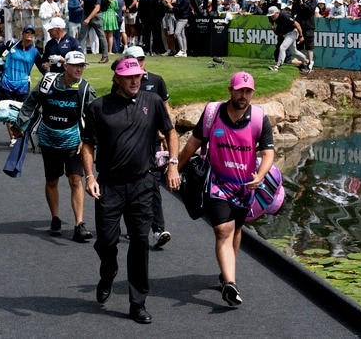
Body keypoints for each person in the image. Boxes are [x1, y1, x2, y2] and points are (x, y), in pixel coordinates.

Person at [81, 57, 180, 325]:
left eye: (138, 76)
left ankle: (138, 303)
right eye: (129, 76)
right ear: (117, 78)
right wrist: (89, 176)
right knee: (106, 242)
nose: (135, 80)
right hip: (109, 185)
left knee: (139, 242)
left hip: (142, 184)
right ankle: (109, 270)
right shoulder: (98, 107)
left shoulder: (153, 102)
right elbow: (87, 144)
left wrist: (173, 165)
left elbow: (171, 133)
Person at [177, 71, 275, 307]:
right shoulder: (213, 114)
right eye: (239, 90)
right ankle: (230, 283)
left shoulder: (260, 119)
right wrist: (175, 168)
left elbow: (268, 153)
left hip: (244, 187)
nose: (243, 95)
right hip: (217, 184)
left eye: (248, 91)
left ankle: (226, 272)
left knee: (237, 229)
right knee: (223, 229)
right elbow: (193, 143)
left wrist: (260, 176)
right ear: (230, 90)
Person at [12, 50, 96, 241]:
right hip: (49, 139)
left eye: (82, 66)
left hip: (73, 142)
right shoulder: (47, 82)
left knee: (75, 180)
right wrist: (20, 124)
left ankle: (79, 225)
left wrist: (87, 139)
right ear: (65, 66)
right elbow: (30, 102)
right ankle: (55, 218)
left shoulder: (85, 89)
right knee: (52, 180)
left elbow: (93, 117)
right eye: (75, 65)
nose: (79, 69)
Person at [122, 45, 172, 246]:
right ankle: (134, 224)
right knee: (130, 186)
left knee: (153, 186)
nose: (140, 63)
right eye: (135, 59)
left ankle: (158, 230)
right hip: (130, 144)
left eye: (142, 59)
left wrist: (168, 138)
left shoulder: (156, 80)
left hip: (152, 143)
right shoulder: (122, 82)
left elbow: (165, 110)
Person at [0, 24, 46, 146]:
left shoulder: (35, 52)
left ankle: (20, 134)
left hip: (23, 86)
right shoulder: (12, 44)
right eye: (27, 32)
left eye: (31, 33)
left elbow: (42, 68)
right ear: (23, 33)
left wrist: (51, 77)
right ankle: (13, 138)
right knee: (8, 112)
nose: (29, 35)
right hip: (7, 84)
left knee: (22, 112)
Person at [266, 6, 309, 72]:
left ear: (277, 13)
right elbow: (276, 32)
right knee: (294, 51)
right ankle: (306, 60)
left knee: (282, 47)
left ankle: (277, 66)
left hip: (292, 32)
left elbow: (297, 25)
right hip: (285, 34)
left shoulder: (285, 15)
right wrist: (273, 28)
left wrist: (301, 36)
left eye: (273, 15)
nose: (271, 17)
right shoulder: (272, 17)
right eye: (270, 15)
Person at [78, 0, 108, 64]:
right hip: (86, 16)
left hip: (95, 17)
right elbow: (84, 3)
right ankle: (78, 56)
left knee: (101, 36)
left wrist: (88, 18)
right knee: (81, 37)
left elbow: (97, 8)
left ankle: (105, 56)